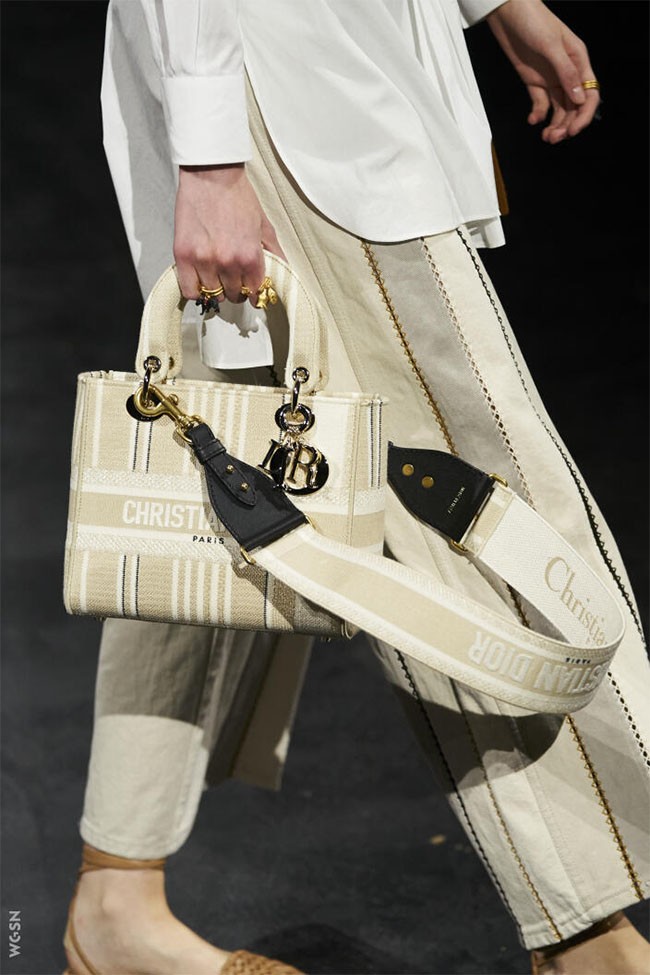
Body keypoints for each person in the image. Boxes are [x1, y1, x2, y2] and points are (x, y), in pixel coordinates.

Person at [63, 1, 650, 973]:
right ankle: (588, 934)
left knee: (219, 478)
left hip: (306, 71)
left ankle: (115, 903)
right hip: (283, 82)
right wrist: (210, 157)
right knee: (471, 497)